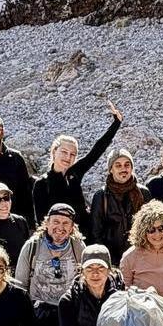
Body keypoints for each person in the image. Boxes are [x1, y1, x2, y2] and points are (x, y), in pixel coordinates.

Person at [33, 101, 123, 238]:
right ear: (54, 151)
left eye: (72, 154)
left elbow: (97, 150)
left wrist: (116, 123)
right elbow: (41, 220)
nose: (68, 157)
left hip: (83, 236)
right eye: (64, 152)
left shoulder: (75, 173)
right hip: (59, 238)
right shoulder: (42, 184)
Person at [12, 204, 86, 326]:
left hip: (67, 305)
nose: (60, 227)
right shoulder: (32, 245)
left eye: (66, 223)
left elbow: (84, 277)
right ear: (47, 223)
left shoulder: (77, 246)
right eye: (56, 222)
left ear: (72, 227)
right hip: (39, 305)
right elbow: (20, 283)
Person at [91, 148, 149, 261]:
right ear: (111, 169)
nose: (123, 169)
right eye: (118, 165)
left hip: (140, 258)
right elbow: (95, 233)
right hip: (112, 260)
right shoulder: (101, 196)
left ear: (132, 167)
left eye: (127, 165)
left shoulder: (143, 193)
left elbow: (151, 226)